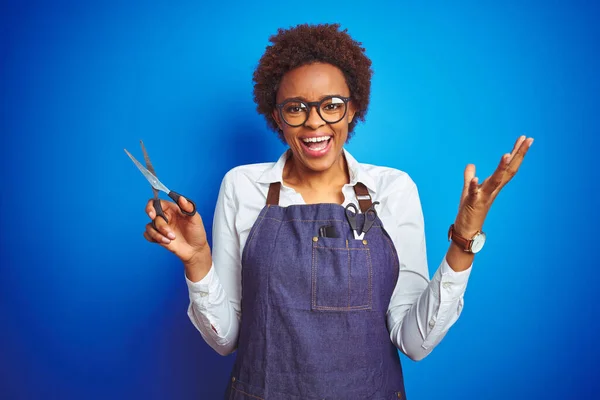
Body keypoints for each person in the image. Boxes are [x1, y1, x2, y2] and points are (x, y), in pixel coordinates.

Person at [143, 23, 533, 399]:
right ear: (277, 116)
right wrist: (197, 259)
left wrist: (464, 241)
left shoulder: (393, 190)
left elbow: (415, 343)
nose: (315, 121)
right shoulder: (243, 187)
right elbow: (226, 340)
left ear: (353, 108)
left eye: (331, 105)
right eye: (296, 108)